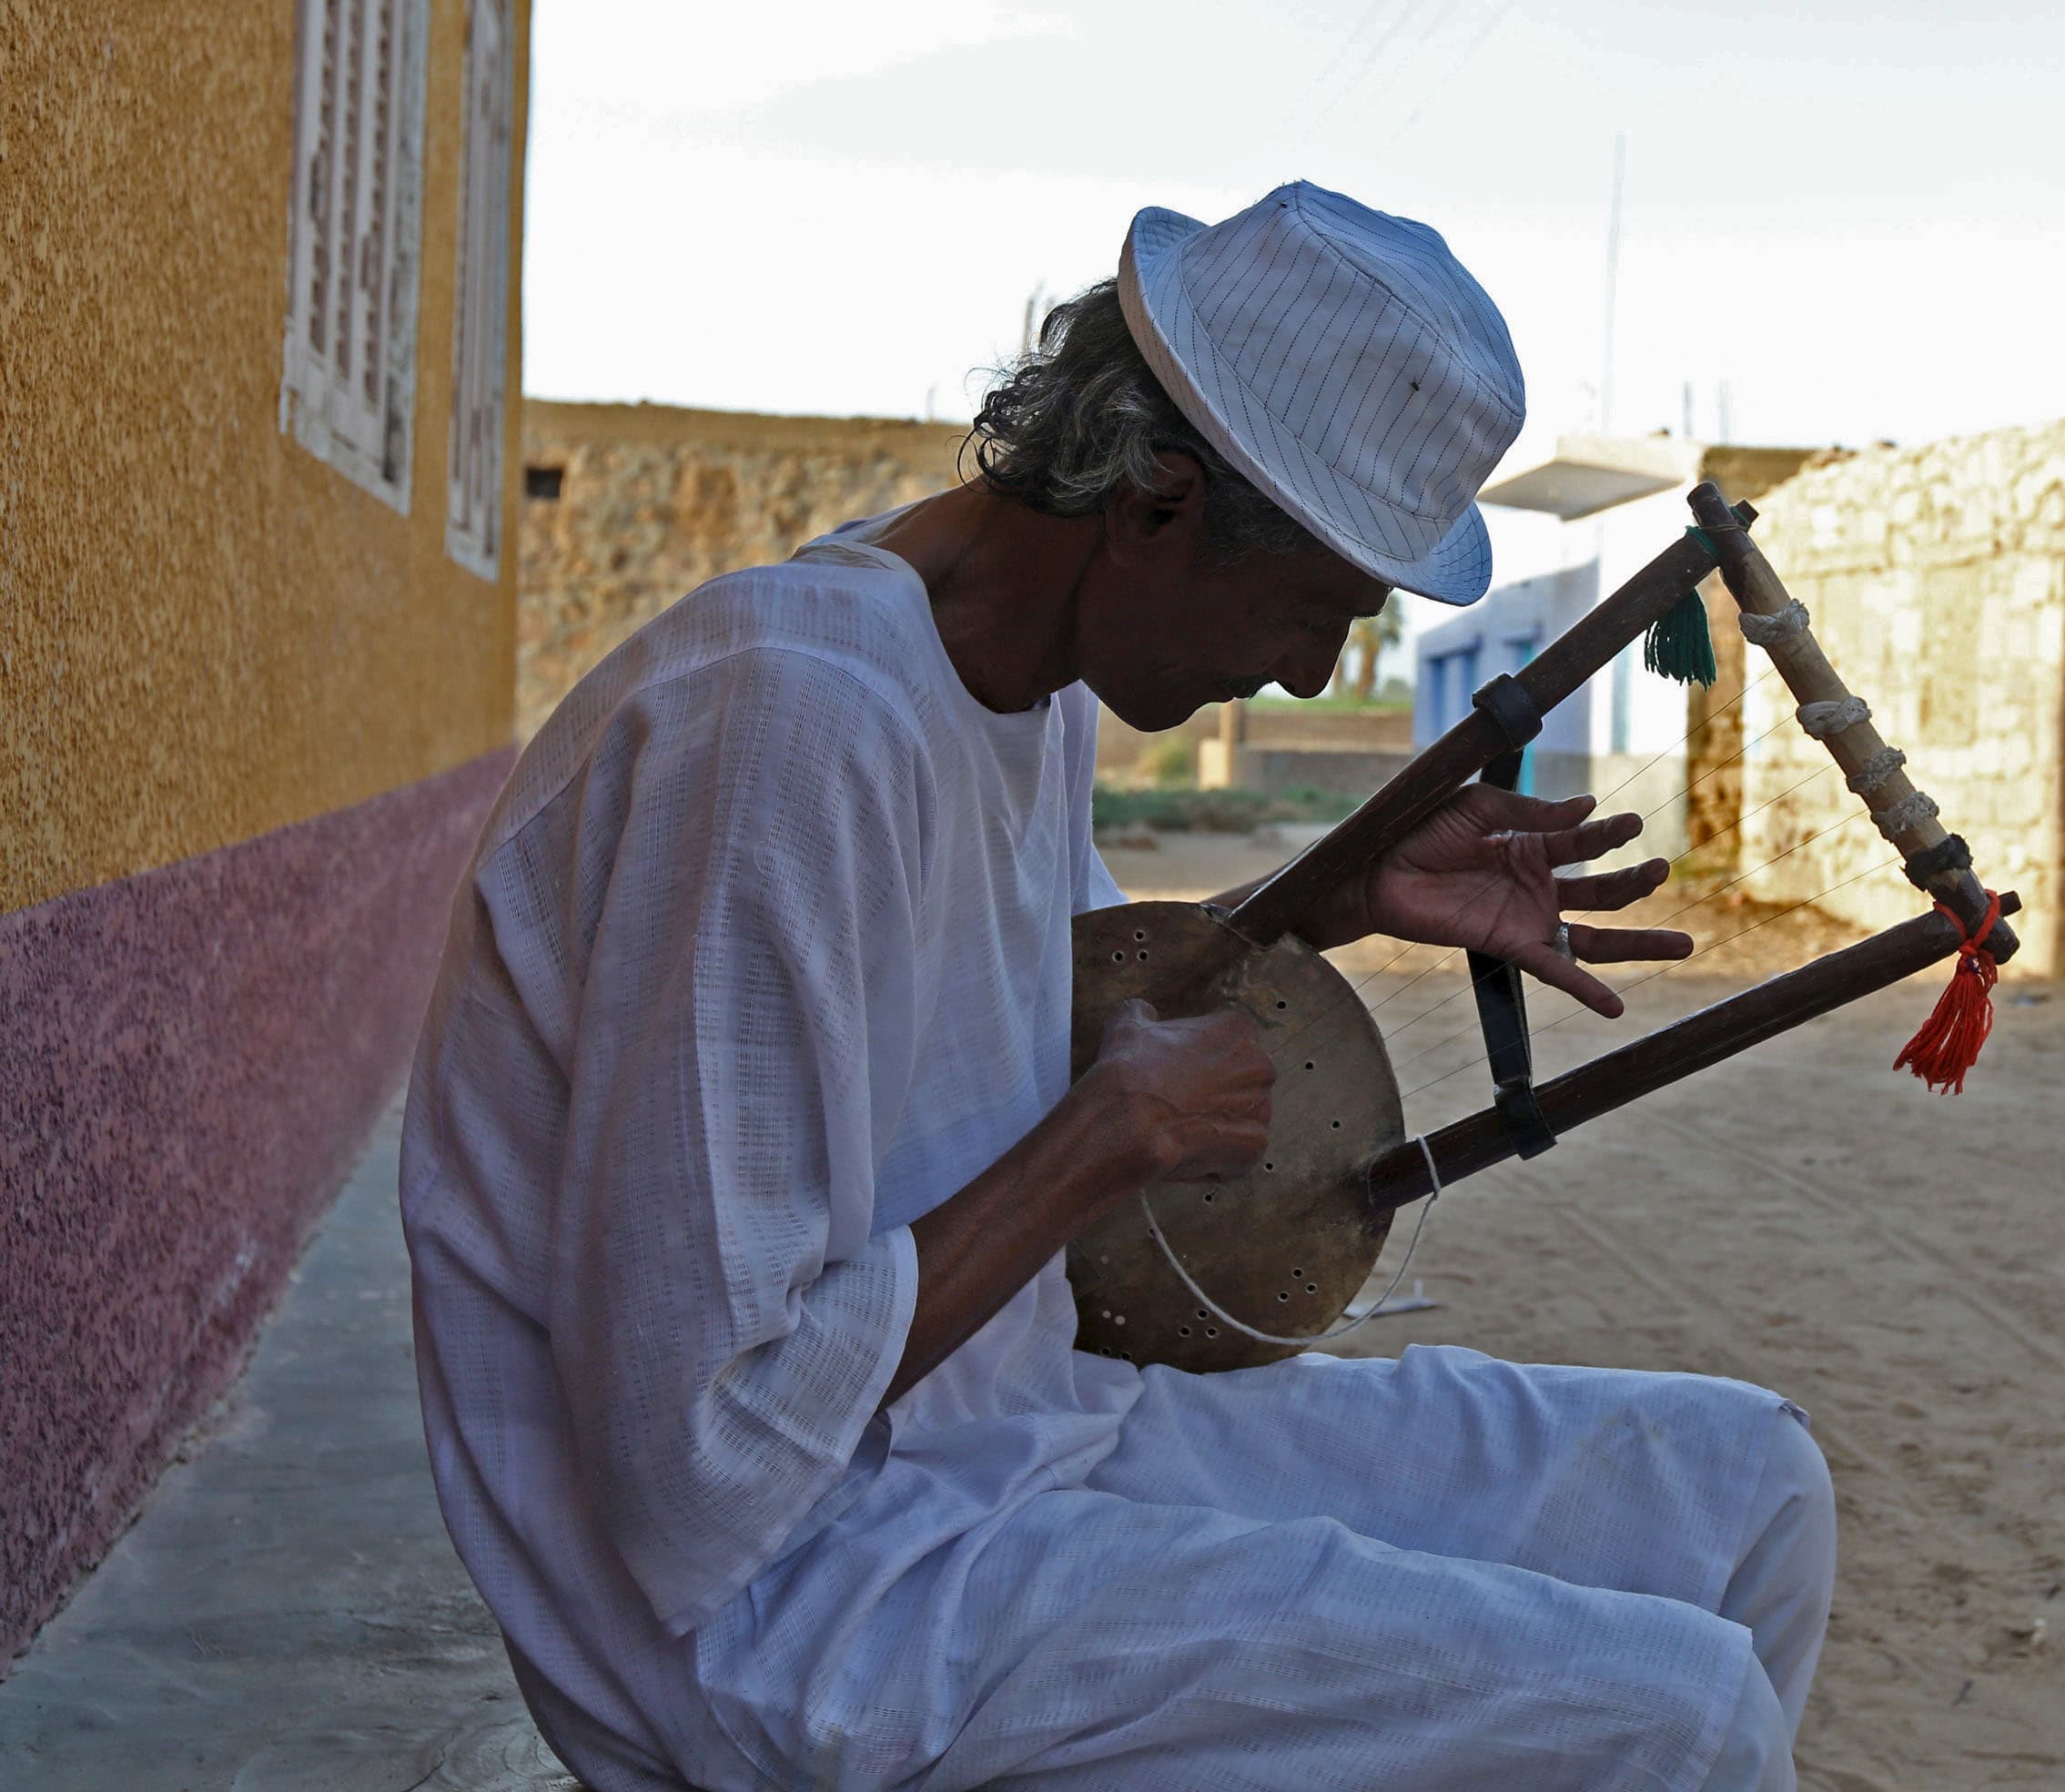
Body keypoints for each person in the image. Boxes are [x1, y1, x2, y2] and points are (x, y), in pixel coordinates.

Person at [400, 181, 1834, 1792]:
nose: (1305, 673)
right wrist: (1101, 1142)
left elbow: (1035, 1015)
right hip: (798, 1602)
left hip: (1019, 1431)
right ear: (1157, 500)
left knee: (1747, 1483)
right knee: (1677, 1716)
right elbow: (696, 1465)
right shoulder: (783, 731)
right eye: (1314, 611)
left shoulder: (1027, 682)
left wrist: (1325, 901)